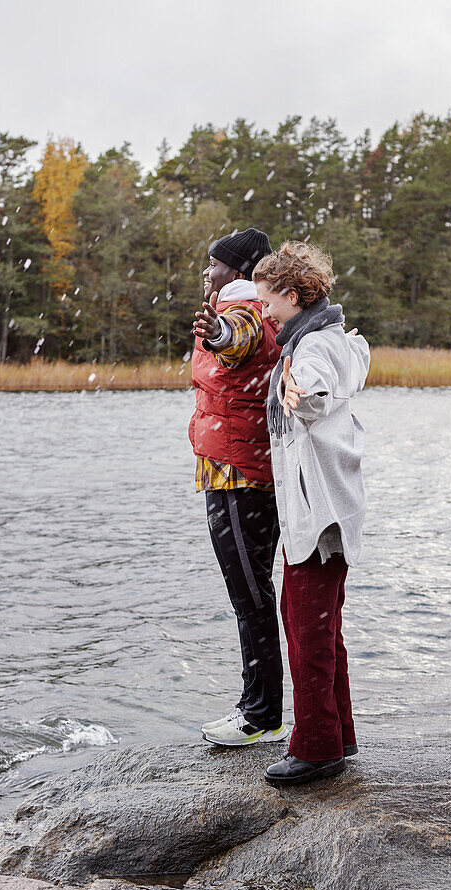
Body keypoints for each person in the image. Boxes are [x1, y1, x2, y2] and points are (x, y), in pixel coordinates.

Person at [251, 241, 370, 785]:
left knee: (306, 631)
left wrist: (300, 395)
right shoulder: (331, 337)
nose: (264, 312)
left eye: (268, 301)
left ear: (293, 296)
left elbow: (317, 394)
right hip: (330, 509)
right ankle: (338, 732)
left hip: (319, 515)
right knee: (323, 628)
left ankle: (317, 748)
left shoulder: (312, 348)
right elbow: (358, 361)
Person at [189, 227, 286, 748]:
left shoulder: (245, 313)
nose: (207, 271)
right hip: (239, 468)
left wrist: (219, 334)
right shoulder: (251, 309)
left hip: (239, 474)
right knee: (252, 593)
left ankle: (262, 715)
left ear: (240, 272)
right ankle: (260, 708)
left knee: (250, 596)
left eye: (215, 263)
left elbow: (237, 342)